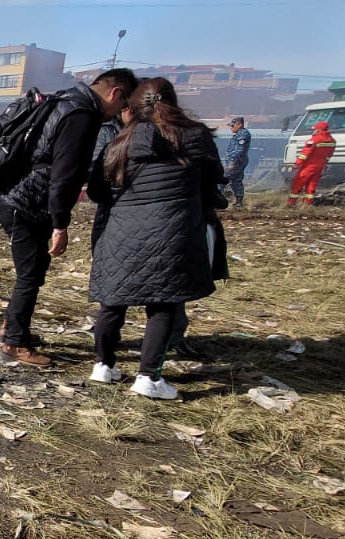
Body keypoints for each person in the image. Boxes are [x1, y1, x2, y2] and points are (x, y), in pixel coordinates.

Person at [86, 77, 223, 400]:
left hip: (120, 233)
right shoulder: (195, 136)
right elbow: (214, 180)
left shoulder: (119, 142)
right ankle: (149, 377)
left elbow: (96, 190)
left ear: (131, 106)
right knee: (162, 304)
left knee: (112, 300)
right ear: (173, 102)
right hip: (172, 232)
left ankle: (103, 366)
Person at [0, 67, 139, 367]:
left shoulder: (65, 100)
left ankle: (13, 327)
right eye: (122, 106)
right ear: (115, 93)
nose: (118, 114)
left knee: (33, 269)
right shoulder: (82, 116)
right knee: (30, 273)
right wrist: (61, 223)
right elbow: (64, 174)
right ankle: (14, 342)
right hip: (28, 201)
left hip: (15, 196)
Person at [287, 121, 336, 206]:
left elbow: (305, 154)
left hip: (309, 166)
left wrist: (296, 164)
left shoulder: (313, 140)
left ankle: (291, 203)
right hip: (320, 166)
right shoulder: (332, 141)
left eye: (315, 129)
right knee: (312, 184)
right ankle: (308, 203)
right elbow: (329, 155)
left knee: (298, 183)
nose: (313, 131)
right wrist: (324, 163)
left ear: (319, 130)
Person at [222, 117, 252, 207]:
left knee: (222, 179)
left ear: (240, 125)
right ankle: (238, 202)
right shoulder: (239, 134)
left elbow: (239, 150)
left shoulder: (243, 134)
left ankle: (220, 199)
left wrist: (232, 162)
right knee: (236, 181)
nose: (231, 127)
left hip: (237, 162)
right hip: (237, 161)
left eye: (232, 125)